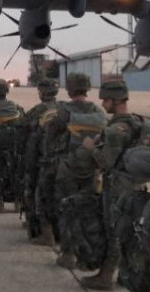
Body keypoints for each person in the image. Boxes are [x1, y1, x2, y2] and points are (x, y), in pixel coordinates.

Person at [81, 79, 150, 290]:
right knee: (128, 230)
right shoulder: (136, 122)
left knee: (114, 230)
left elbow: (106, 161)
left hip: (118, 186)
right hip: (134, 183)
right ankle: (125, 275)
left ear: (115, 100)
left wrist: (90, 147)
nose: (103, 104)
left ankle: (105, 276)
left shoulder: (116, 129)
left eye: (105, 100)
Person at [43, 72, 106, 271]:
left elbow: (50, 135)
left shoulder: (64, 111)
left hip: (68, 168)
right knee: (87, 211)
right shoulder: (98, 111)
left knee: (66, 209)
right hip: (91, 170)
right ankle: (87, 253)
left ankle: (68, 253)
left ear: (69, 89)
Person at [21, 77, 62, 245]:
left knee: (36, 194)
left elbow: (22, 126)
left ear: (41, 93)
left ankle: (43, 231)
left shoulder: (37, 110)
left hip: (40, 158)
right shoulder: (63, 108)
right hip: (61, 158)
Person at [0, 78, 24, 213]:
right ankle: (17, 204)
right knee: (15, 174)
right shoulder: (15, 106)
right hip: (14, 146)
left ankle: (0, 204)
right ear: (6, 91)